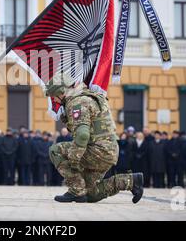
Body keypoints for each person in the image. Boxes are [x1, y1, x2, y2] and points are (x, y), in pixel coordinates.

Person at [46, 74, 143, 203]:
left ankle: (76, 191)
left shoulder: (77, 102)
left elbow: (82, 134)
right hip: (109, 152)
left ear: (62, 91)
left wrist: (74, 159)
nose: (54, 100)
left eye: (54, 96)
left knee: (55, 150)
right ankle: (130, 181)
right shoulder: (89, 97)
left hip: (98, 151)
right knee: (91, 194)